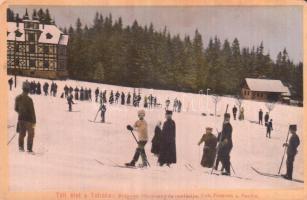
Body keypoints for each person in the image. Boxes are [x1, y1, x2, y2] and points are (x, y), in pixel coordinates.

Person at [15, 82, 36, 153]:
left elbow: (15, 108)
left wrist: (20, 113)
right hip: (29, 120)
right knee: (31, 134)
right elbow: (32, 112)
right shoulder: (30, 100)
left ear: (22, 89)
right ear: (28, 90)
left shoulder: (17, 98)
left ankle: (21, 147)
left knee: (22, 133)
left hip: (21, 118)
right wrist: (34, 121)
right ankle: (29, 149)